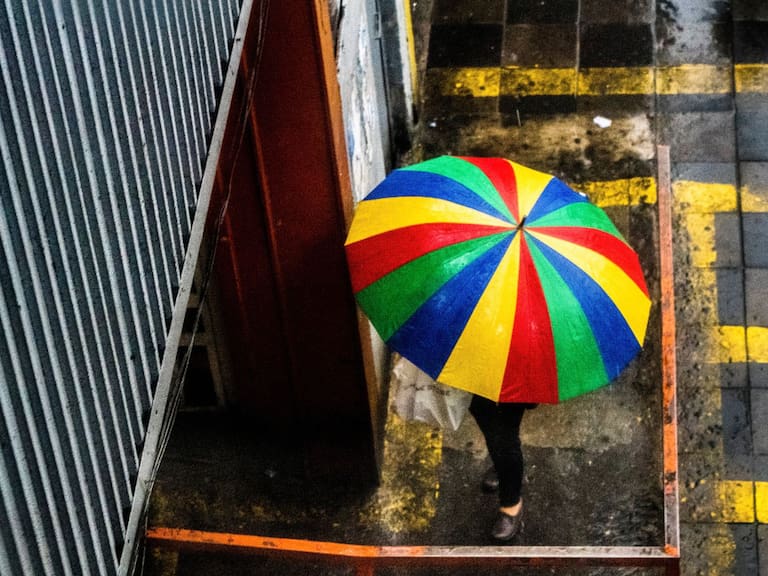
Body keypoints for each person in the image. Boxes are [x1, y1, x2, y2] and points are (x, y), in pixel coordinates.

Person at [469, 395, 535, 542]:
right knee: (481, 408)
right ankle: (502, 466)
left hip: (520, 376)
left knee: (507, 428)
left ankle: (511, 503)